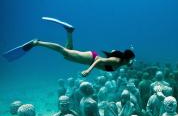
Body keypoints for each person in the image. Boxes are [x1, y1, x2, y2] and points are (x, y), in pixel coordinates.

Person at [2, 17, 135, 77]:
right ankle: (37, 43)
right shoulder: (117, 61)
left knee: (67, 54)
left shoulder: (122, 61)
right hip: (90, 58)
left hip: (89, 57)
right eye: (130, 61)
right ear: (126, 59)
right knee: (64, 52)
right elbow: (99, 61)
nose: (131, 63)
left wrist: (128, 57)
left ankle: (69, 31)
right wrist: (89, 71)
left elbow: (114, 53)